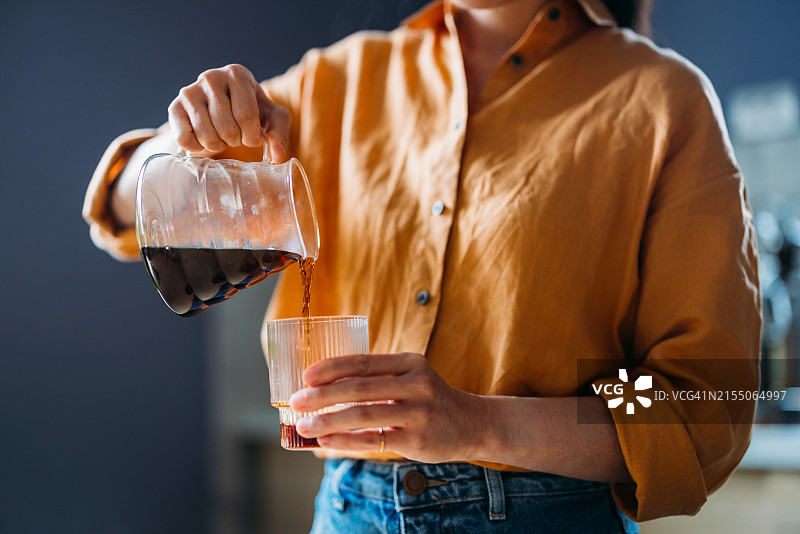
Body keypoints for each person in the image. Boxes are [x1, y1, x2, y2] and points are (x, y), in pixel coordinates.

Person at [83, 0, 761, 532]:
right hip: (345, 513)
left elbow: (706, 404)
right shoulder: (333, 81)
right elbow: (123, 203)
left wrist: (479, 423)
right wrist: (182, 132)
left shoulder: (664, 102)